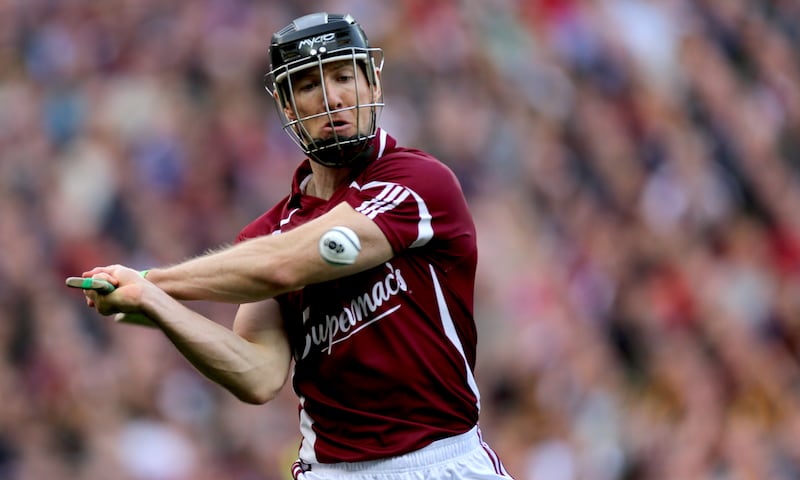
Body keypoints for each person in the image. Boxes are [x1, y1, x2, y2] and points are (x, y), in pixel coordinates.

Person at [77, 12, 514, 480]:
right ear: (287, 109)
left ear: (372, 87)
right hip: (332, 471)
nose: (332, 98)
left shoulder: (419, 182)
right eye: (308, 85)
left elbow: (297, 261)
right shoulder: (267, 236)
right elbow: (257, 375)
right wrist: (152, 302)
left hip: (443, 461)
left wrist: (155, 281)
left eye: (345, 76)